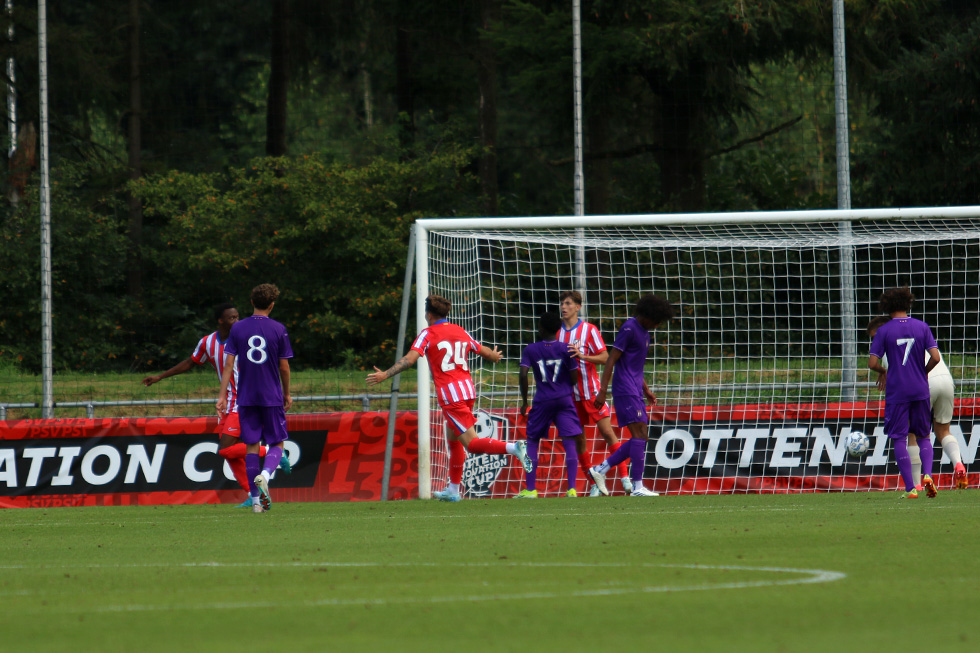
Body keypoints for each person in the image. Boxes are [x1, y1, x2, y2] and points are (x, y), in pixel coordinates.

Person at [366, 294, 533, 502]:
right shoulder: (459, 330)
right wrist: (495, 356)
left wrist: (385, 374)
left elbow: (410, 359)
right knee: (452, 438)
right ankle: (453, 491)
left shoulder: (427, 334)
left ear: (428, 314)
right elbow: (485, 352)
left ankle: (513, 448)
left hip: (451, 395)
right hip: (467, 390)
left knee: (471, 444)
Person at [142, 303, 289, 508]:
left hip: (243, 401)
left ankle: (272, 453)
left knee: (226, 449)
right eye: (232, 318)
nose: (237, 321)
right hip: (226, 404)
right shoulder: (208, 342)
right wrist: (160, 376)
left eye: (238, 317)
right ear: (220, 321)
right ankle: (253, 494)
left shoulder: (245, 338)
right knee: (230, 456)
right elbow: (190, 362)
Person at [587, 294, 674, 497]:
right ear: (648, 315)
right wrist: (602, 391)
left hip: (635, 389)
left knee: (641, 437)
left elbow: (635, 365)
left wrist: (646, 389)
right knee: (640, 435)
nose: (659, 324)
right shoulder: (629, 328)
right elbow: (611, 360)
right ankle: (637, 486)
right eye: (658, 320)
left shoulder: (645, 332)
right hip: (625, 389)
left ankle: (600, 470)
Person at [867, 315, 968, 491]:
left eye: (875, 337)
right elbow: (934, 356)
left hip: (922, 383)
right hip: (945, 379)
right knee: (943, 430)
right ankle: (958, 463)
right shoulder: (918, 331)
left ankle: (917, 484)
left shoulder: (889, 343)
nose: (875, 341)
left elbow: (896, 373)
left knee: (912, 434)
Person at [217, 284, 294, 514]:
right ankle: (267, 475)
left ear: (251, 302)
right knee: (277, 443)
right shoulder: (279, 329)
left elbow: (229, 363)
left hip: (246, 397)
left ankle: (256, 501)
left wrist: (222, 396)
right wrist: (287, 393)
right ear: (272, 305)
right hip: (271, 395)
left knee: (252, 446)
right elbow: (284, 367)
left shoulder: (238, 328)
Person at [868, 287, 941, 499]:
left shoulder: (884, 330)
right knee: (924, 436)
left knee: (899, 438)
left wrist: (884, 371)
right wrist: (923, 372)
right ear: (908, 303)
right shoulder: (922, 326)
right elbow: (935, 357)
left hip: (897, 391)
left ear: (886, 307)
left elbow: (872, 362)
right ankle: (927, 475)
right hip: (919, 389)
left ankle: (910, 487)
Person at [557, 290, 632, 496]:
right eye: (562, 303)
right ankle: (594, 482)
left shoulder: (589, 330)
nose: (564, 307)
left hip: (591, 392)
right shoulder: (557, 333)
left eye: (568, 303)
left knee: (608, 433)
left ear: (578, 307)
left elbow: (605, 357)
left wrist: (582, 356)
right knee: (579, 440)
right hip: (571, 396)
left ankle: (625, 476)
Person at [516, 312, 583, 498]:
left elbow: (523, 375)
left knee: (532, 440)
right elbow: (573, 378)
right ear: (559, 328)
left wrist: (524, 402)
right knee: (569, 441)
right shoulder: (567, 349)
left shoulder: (531, 349)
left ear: (540, 329)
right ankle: (572, 489)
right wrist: (563, 388)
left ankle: (531, 489)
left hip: (542, 400)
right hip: (564, 399)